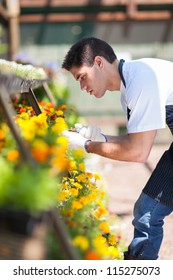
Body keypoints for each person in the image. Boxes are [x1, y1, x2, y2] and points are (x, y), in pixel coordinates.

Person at [62, 37, 173, 260]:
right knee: (146, 213)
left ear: (99, 63)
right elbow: (135, 141)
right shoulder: (130, 84)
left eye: (82, 77)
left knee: (147, 213)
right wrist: (100, 137)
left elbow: (138, 153)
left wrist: (86, 146)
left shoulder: (141, 79)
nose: (83, 87)